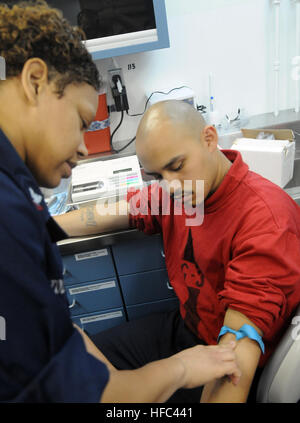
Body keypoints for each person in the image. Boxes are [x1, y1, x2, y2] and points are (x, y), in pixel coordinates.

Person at [0, 1, 241, 402]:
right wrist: (181, 368)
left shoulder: (258, 216)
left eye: (176, 166)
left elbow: (242, 350)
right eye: (81, 121)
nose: (82, 148)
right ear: (35, 80)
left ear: (210, 139)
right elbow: (98, 394)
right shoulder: (8, 211)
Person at [57, 99, 300, 403]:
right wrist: (39, 226)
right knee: (74, 363)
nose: (168, 186)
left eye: (176, 166)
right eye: (157, 176)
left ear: (209, 139)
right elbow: (116, 210)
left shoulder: (265, 223)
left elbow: (236, 355)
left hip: (227, 355)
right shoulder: (184, 190)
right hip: (188, 331)